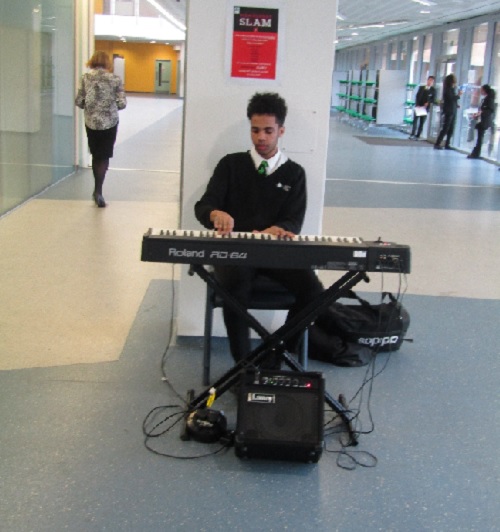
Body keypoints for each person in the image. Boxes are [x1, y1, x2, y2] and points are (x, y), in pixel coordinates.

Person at [194, 92, 324, 366]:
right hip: (236, 252)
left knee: (313, 290)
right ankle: (244, 367)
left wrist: (276, 230)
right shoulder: (230, 165)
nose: (261, 138)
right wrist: (215, 214)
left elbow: (293, 221)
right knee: (234, 289)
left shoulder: (294, 173)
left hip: (275, 252)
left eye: (268, 131)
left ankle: (278, 355)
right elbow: (204, 206)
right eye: (255, 130)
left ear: (281, 130)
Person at [75, 51, 127, 208]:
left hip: (91, 122)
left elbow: (79, 101)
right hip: (109, 123)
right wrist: (109, 107)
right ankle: (98, 190)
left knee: (96, 154)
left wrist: (92, 108)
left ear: (92, 61)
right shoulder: (115, 79)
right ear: (107, 63)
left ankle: (97, 191)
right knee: (104, 156)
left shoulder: (85, 78)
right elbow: (122, 103)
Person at [467, 84, 496, 159]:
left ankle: (476, 153)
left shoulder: (489, 99)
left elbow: (490, 110)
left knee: (480, 138)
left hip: (484, 121)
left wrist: (481, 112)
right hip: (482, 120)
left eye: (482, 90)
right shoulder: (486, 98)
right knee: (479, 137)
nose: (481, 91)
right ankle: (476, 153)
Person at [434, 73, 462, 150]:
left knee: (451, 128)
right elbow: (450, 98)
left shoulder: (452, 89)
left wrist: (456, 104)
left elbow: (452, 100)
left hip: (453, 110)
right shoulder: (447, 89)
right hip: (449, 111)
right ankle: (438, 143)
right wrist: (458, 95)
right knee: (446, 127)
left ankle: (447, 143)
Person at [409, 76, 436, 140]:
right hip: (418, 106)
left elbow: (433, 99)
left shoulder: (433, 90)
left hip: (425, 108)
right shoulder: (421, 88)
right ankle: (412, 134)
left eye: (431, 81)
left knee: (422, 122)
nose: (430, 82)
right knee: (415, 121)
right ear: (427, 80)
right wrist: (417, 104)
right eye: (429, 80)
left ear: (433, 82)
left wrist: (428, 103)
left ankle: (418, 135)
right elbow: (417, 96)